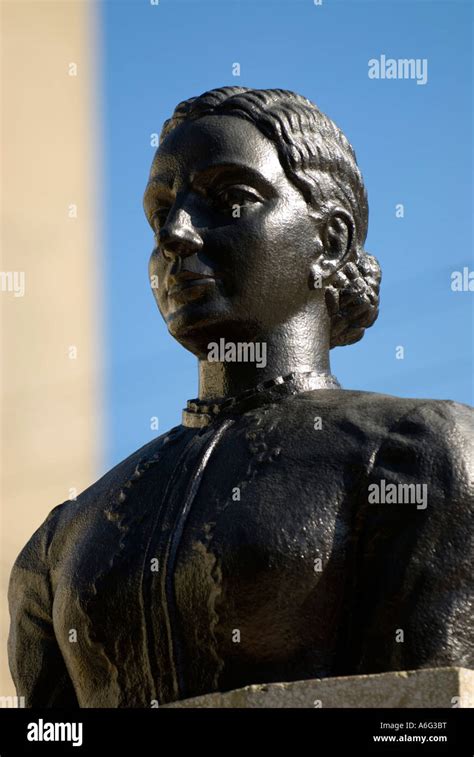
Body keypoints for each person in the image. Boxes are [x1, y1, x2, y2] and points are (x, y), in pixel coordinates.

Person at [8, 87, 473, 707]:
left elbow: (422, 713)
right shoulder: (62, 540)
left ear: (329, 243)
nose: (175, 234)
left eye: (231, 200)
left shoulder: (419, 456)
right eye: (161, 212)